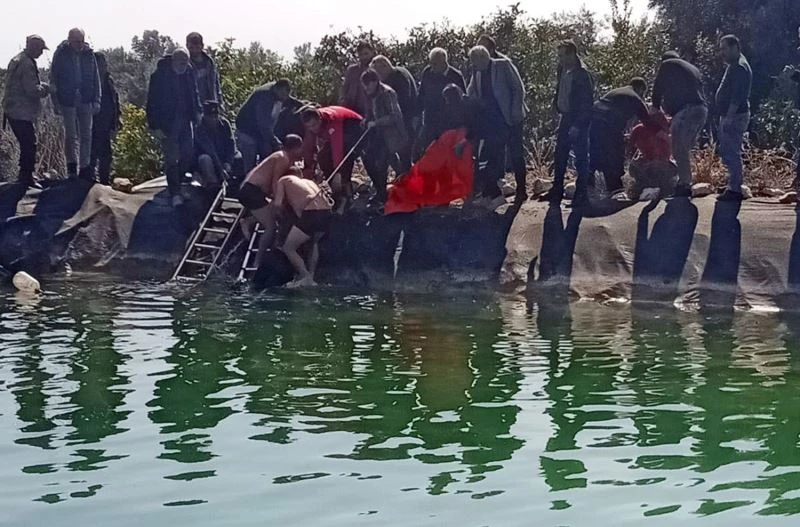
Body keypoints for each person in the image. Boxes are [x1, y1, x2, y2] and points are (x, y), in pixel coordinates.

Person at [466, 45, 527, 205]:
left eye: (475, 61)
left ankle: (522, 191)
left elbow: (518, 88)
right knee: (491, 156)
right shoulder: (477, 73)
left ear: (482, 57)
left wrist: (515, 111)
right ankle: (491, 194)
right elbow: (471, 91)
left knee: (516, 154)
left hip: (510, 117)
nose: (473, 64)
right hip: (492, 122)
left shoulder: (503, 65)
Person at [146, 47, 201, 207]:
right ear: (173, 61)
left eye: (186, 62)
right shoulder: (159, 75)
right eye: (181, 62)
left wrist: (197, 111)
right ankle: (175, 192)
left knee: (188, 154)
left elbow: (194, 92)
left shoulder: (189, 72)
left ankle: (179, 183)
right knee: (171, 158)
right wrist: (154, 126)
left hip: (186, 120)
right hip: (167, 123)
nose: (183, 66)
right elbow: (152, 101)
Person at [238, 134, 304, 269]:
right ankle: (258, 261)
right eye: (300, 148)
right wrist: (277, 199)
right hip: (252, 191)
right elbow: (276, 181)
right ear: (296, 148)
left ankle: (249, 221)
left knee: (272, 211)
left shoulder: (280, 155)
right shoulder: (283, 158)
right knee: (271, 227)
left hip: (251, 189)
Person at [543, 39, 594, 205]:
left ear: (572, 54)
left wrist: (578, 125)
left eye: (563, 55)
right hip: (565, 117)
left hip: (578, 119)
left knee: (580, 158)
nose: (561, 59)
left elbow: (586, 103)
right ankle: (556, 190)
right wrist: (555, 107)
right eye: (559, 56)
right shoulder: (562, 70)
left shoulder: (582, 75)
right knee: (560, 155)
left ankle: (582, 195)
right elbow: (560, 90)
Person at [652, 50, 708, 198]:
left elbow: (658, 87)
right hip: (701, 110)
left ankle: (684, 184)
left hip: (686, 111)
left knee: (678, 147)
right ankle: (684, 182)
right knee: (684, 149)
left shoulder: (667, 64)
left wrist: (654, 107)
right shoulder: (692, 68)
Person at [50, 28, 101, 179]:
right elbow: (54, 78)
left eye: (81, 41)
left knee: (86, 135)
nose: (79, 45)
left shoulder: (89, 54)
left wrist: (97, 100)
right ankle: (72, 168)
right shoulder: (61, 54)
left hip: (86, 99)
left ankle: (85, 168)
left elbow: (96, 78)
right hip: (67, 100)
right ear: (69, 40)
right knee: (71, 136)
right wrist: (55, 103)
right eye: (76, 41)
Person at [589, 77, 651, 201]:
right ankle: (616, 189)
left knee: (596, 154)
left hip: (593, 119)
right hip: (608, 123)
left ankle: (587, 187)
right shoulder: (635, 97)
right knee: (615, 155)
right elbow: (647, 121)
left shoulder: (617, 92)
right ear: (640, 89)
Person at [2, 35, 50, 188]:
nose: (41, 53)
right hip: (20, 111)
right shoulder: (27, 63)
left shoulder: (18, 60)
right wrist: (47, 89)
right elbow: (32, 90)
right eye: (40, 49)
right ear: (33, 47)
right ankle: (26, 177)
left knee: (27, 143)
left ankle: (25, 175)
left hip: (13, 110)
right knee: (29, 143)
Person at [273, 173, 333, 288]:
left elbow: (277, 204)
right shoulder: (309, 182)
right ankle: (311, 276)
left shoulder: (283, 179)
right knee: (313, 242)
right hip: (326, 212)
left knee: (288, 247)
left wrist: (279, 216)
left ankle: (304, 275)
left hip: (311, 214)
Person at [300, 105, 364, 211]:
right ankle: (336, 192)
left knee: (345, 160)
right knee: (322, 157)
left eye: (315, 125)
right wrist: (309, 167)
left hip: (352, 129)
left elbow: (337, 147)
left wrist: (337, 172)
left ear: (319, 118)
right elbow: (308, 147)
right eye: (310, 126)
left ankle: (347, 192)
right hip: (334, 136)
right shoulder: (310, 127)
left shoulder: (333, 120)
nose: (314, 129)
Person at [362, 69, 410, 205]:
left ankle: (386, 194)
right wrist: (366, 120)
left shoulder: (387, 93)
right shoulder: (369, 95)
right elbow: (370, 112)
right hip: (379, 136)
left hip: (393, 135)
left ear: (376, 82)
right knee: (369, 159)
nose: (366, 88)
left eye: (368, 84)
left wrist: (376, 122)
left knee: (388, 164)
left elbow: (395, 116)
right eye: (364, 85)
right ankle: (381, 192)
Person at [715, 35, 752, 202]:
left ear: (735, 47)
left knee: (732, 151)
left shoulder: (739, 67)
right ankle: (732, 184)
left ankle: (735, 189)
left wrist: (729, 117)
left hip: (735, 116)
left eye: (725, 49)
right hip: (732, 114)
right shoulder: (735, 65)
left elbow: (737, 96)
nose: (722, 52)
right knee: (728, 150)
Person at [235, 79, 293, 173]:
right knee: (250, 163)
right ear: (277, 89)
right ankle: (248, 182)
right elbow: (263, 125)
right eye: (283, 95)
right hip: (246, 130)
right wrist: (275, 141)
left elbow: (288, 98)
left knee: (266, 152)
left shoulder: (278, 91)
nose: (285, 98)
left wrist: (302, 104)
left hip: (258, 130)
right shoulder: (264, 98)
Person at [417, 48, 466, 154]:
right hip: (430, 119)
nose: (432, 67)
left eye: (435, 64)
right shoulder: (427, 72)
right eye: (431, 63)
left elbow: (462, 100)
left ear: (443, 62)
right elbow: (421, 94)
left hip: (448, 122)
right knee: (428, 151)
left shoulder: (455, 76)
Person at [369, 55, 418, 159]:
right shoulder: (389, 79)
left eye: (377, 73)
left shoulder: (400, 76)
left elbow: (403, 102)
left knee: (407, 154)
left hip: (408, 119)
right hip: (398, 121)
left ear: (384, 67)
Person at [628, 110, 677, 200]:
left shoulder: (663, 131)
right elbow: (630, 147)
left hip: (661, 163)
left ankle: (664, 188)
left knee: (658, 167)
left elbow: (669, 150)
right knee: (634, 168)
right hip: (645, 162)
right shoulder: (638, 129)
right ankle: (643, 187)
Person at [90, 52, 121, 186]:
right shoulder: (89, 81)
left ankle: (104, 180)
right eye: (99, 63)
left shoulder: (108, 80)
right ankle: (88, 179)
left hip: (106, 122)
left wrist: (117, 118)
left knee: (106, 155)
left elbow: (115, 100)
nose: (103, 66)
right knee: (92, 153)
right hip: (93, 123)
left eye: (104, 63)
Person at [194, 100, 241, 187]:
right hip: (210, 159)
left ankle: (237, 183)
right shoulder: (200, 128)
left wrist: (228, 163)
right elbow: (210, 151)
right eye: (210, 117)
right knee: (205, 159)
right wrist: (221, 170)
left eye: (215, 116)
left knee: (238, 157)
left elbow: (231, 144)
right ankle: (213, 184)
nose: (213, 119)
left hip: (224, 157)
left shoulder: (225, 124)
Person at [186, 32, 224, 109]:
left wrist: (220, 103)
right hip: (192, 106)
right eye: (191, 48)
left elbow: (216, 84)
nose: (194, 51)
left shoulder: (209, 62)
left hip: (209, 104)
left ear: (202, 46)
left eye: (197, 48)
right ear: (187, 46)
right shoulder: (185, 63)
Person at [342, 41, 377, 117]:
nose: (364, 57)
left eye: (366, 54)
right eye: (361, 54)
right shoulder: (352, 70)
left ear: (372, 53)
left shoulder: (377, 69)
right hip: (353, 109)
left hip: (371, 111)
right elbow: (345, 89)